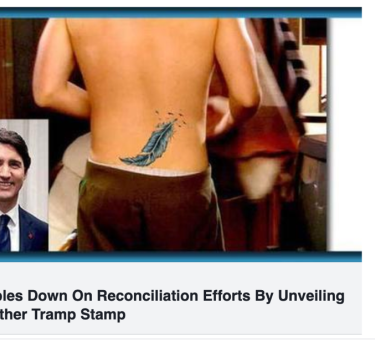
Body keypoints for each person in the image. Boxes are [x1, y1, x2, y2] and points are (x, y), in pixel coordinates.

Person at [33, 19, 260, 251]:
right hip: (181, 188)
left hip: (107, 184)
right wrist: (226, 121)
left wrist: (113, 108)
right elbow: (247, 97)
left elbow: (48, 92)